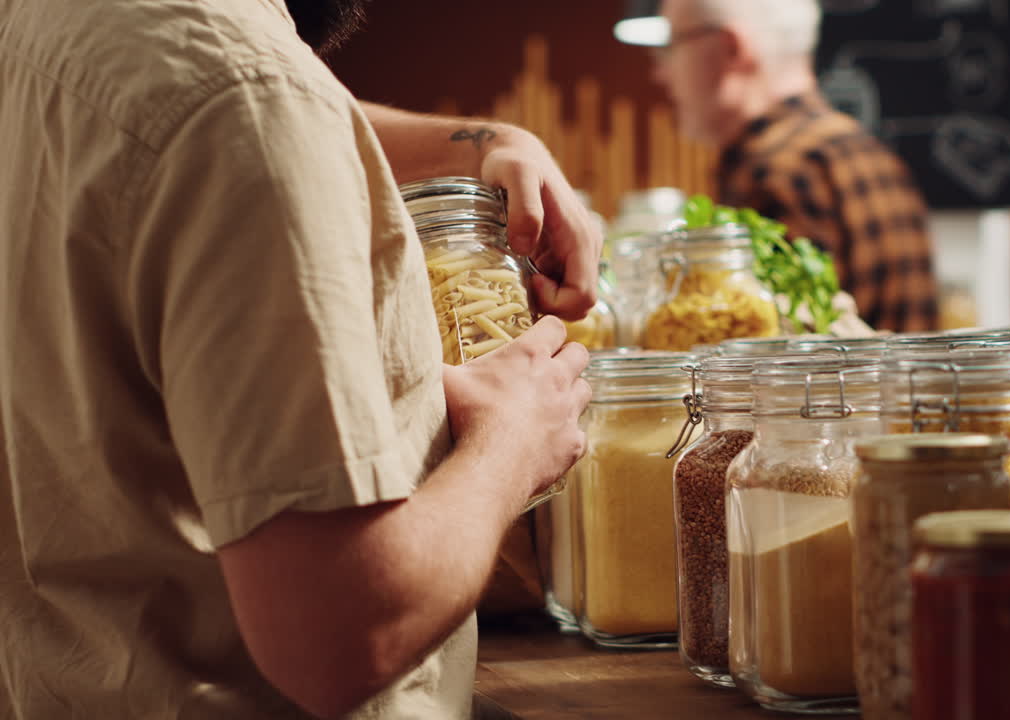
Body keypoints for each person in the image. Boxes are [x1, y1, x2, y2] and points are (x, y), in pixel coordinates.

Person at [0, 0, 600, 718]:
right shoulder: (249, 102)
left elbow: (196, 108)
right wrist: (514, 442)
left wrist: (477, 142)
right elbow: (341, 636)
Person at [653, 0, 941, 333]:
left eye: (671, 46)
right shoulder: (869, 149)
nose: (661, 73)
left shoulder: (773, 171)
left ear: (732, 48)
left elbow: (777, 357)